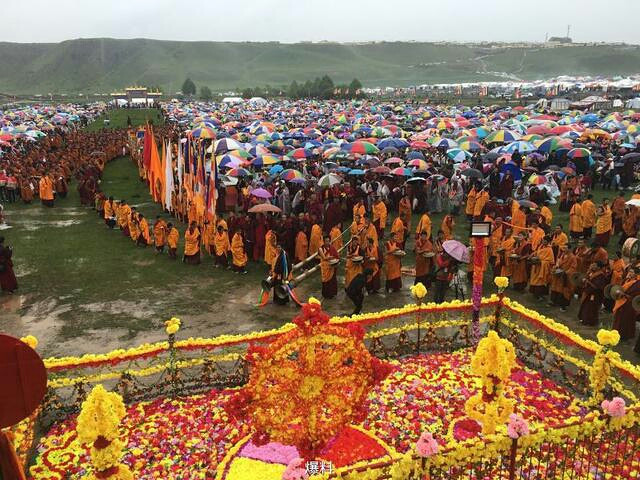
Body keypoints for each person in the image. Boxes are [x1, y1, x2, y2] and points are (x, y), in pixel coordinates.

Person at [612, 267, 640, 341]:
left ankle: (623, 336)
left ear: (636, 274)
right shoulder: (627, 280)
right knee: (618, 319)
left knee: (625, 321)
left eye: (632, 272)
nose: (630, 273)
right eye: (629, 271)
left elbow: (635, 296)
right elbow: (621, 288)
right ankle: (615, 334)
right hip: (621, 302)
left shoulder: (637, 283)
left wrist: (624, 295)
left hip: (629, 305)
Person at [577, 262, 609, 326]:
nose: (593, 266)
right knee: (586, 306)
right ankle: (584, 319)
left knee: (591, 308)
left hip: (594, 294)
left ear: (599, 268)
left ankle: (590, 322)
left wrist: (587, 282)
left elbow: (598, 286)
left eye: (595, 265)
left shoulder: (601, 275)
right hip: (589, 292)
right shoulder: (592, 273)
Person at [549, 245, 576, 311]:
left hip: (565, 276)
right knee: (555, 288)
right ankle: (554, 302)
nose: (564, 249)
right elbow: (558, 262)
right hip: (558, 275)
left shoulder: (573, 257)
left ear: (569, 249)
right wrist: (557, 266)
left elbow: (573, 267)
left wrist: (566, 272)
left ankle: (563, 305)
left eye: (565, 248)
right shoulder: (562, 255)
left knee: (564, 291)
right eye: (563, 248)